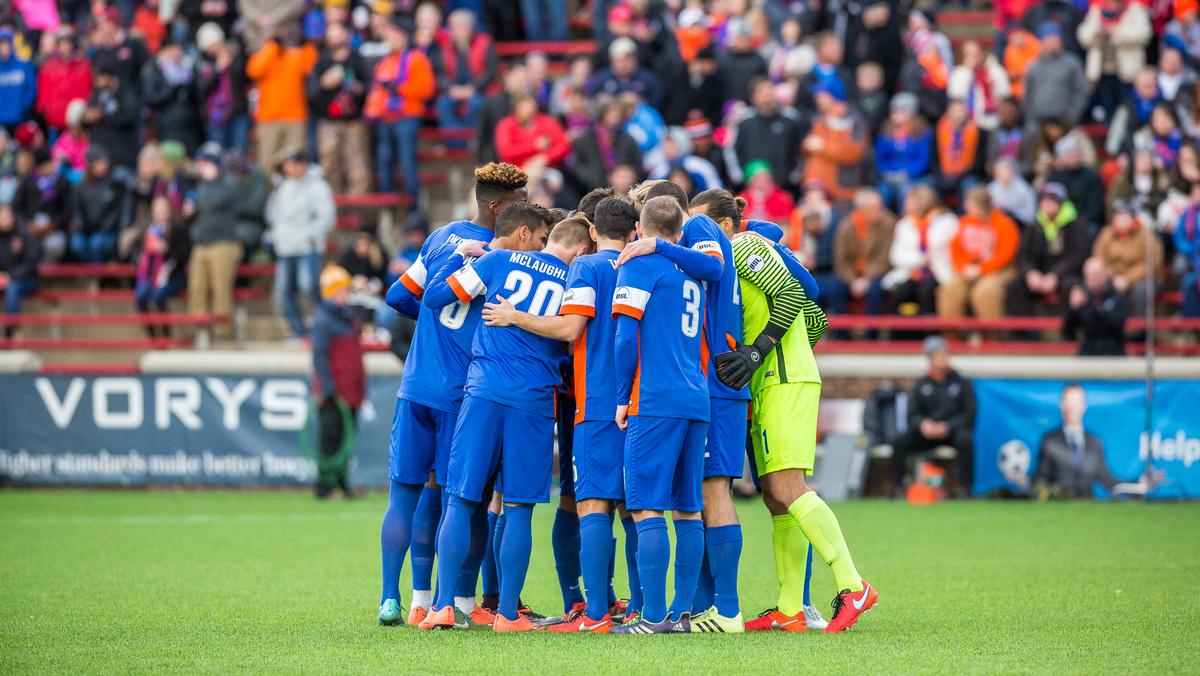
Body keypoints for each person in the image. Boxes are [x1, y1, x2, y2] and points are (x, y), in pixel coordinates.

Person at [481, 199, 672, 632]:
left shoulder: (588, 270)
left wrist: (514, 316)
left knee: (590, 504)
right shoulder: (648, 267)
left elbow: (570, 328)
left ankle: (595, 613)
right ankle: (646, 611)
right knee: (638, 508)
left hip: (597, 401)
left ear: (591, 233)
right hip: (644, 403)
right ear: (635, 230)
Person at [420, 212, 590, 633]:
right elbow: (573, 333)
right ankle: (508, 615)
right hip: (533, 400)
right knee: (518, 508)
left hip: (482, 391)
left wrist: (460, 256)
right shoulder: (574, 277)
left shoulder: (498, 261)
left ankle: (441, 605)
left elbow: (435, 297)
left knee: (459, 498)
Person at [376, 162, 528, 628]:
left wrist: (430, 326)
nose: (527, 209)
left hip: (416, 383)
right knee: (463, 501)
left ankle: (397, 598)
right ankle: (459, 601)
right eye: (521, 201)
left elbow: (398, 297)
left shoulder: (442, 239)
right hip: (464, 394)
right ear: (498, 206)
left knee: (408, 496)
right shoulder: (505, 257)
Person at [715, 218, 877, 634]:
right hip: (779, 381)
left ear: (724, 223)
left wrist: (761, 351)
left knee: (788, 487)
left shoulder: (742, 246)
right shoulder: (744, 252)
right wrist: (794, 350)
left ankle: (853, 585)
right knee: (775, 495)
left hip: (781, 380)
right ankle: (789, 609)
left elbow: (793, 294)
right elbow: (816, 316)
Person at [597, 196, 707, 635]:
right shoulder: (691, 273)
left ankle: (652, 616)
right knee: (689, 510)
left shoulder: (638, 264)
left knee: (646, 509)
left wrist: (622, 396)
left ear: (639, 229)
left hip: (655, 399)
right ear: (680, 233)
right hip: (696, 398)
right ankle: (683, 613)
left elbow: (626, 339)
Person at [890, 336, 976, 495]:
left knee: (966, 440)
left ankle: (966, 489)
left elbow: (969, 414)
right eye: (940, 355)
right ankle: (898, 488)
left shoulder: (961, 382)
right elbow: (912, 414)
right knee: (899, 441)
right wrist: (923, 424)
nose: (945, 358)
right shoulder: (921, 384)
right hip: (927, 434)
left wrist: (947, 426)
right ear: (930, 358)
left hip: (951, 433)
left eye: (946, 354)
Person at [268, 147, 335, 341]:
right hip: (286, 247)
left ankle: (327, 324)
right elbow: (276, 216)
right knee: (284, 292)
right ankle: (299, 331)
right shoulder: (284, 187)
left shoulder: (318, 187)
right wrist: (277, 237)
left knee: (310, 287)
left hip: (307, 246)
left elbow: (326, 218)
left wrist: (308, 236)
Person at [364, 20, 434, 205]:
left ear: (404, 36)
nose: (390, 39)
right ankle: (388, 205)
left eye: (394, 35)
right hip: (385, 119)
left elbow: (425, 89)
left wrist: (399, 89)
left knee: (407, 162)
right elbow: (377, 91)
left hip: (407, 116)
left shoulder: (417, 59)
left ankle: (414, 208)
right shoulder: (385, 62)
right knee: (384, 161)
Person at [311, 265, 365, 500]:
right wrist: (328, 388)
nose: (347, 295)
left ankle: (343, 486)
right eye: (343, 291)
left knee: (346, 441)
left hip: (350, 392)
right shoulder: (324, 320)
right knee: (330, 440)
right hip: (333, 393)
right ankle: (325, 486)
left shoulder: (347, 317)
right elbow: (319, 356)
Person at [937, 187, 1020, 325]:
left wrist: (982, 269)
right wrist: (964, 267)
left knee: (985, 292)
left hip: (998, 270)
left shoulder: (1004, 224)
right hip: (968, 269)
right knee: (950, 289)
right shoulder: (964, 222)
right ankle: (952, 337)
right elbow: (954, 248)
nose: (966, 207)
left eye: (970, 205)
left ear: (982, 206)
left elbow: (1006, 255)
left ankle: (991, 338)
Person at [1006, 182, 1089, 317]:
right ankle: (1023, 334)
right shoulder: (1034, 225)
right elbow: (1022, 255)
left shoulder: (1076, 225)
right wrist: (1030, 273)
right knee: (1014, 288)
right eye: (1045, 200)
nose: (1048, 204)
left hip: (1067, 275)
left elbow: (1078, 255)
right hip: (1039, 274)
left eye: (1052, 200)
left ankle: (1067, 333)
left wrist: (1056, 275)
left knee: (1072, 289)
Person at [307, 20, 371, 195]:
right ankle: (332, 211)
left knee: (357, 169)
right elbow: (310, 93)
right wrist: (323, 84)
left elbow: (371, 87)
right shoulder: (321, 62)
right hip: (328, 122)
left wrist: (358, 88)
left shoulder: (358, 60)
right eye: (331, 33)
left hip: (354, 122)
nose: (334, 37)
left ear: (347, 35)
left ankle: (359, 215)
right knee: (328, 167)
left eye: (338, 32)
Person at [246, 25, 318, 174]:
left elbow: (312, 63)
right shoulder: (263, 56)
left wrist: (305, 43)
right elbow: (254, 71)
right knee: (266, 163)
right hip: (269, 118)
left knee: (296, 162)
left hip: (295, 118)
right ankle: (267, 196)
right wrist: (272, 46)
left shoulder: (295, 56)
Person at [187, 143, 241, 339]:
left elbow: (217, 202)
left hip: (223, 243)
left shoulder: (227, 183)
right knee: (197, 288)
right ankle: (199, 331)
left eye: (204, 162)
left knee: (221, 290)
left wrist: (210, 182)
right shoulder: (201, 185)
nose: (200, 166)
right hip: (202, 243)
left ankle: (222, 332)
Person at [883, 185, 959, 315]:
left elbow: (938, 246)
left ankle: (931, 334)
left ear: (922, 201)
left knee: (926, 291)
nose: (905, 204)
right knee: (901, 293)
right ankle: (902, 333)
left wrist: (929, 224)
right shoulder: (904, 224)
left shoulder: (946, 221)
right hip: (911, 273)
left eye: (910, 200)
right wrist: (921, 259)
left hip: (939, 273)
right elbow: (896, 256)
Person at [1032, 384, 1118, 499]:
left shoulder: (1095, 442)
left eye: (1076, 402)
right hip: (1059, 507)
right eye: (1069, 402)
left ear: (1083, 406)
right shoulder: (1049, 441)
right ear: (1062, 405)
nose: (1072, 408)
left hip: (1088, 507)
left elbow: (1108, 480)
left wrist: (1137, 485)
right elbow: (1041, 480)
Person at [1076, 0, 1152, 121]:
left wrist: (1116, 33)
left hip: (1127, 73)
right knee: (1107, 111)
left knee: (1127, 109)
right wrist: (1098, 34)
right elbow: (1083, 35)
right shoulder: (1097, 10)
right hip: (1103, 71)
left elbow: (1144, 33)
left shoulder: (1133, 9)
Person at [432, 10, 496, 148]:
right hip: (454, 90)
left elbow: (491, 71)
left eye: (453, 27)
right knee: (443, 104)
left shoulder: (484, 42)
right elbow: (440, 73)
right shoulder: (445, 46)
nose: (450, 31)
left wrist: (473, 88)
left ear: (466, 27)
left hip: (479, 90)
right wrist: (450, 88)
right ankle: (455, 143)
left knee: (476, 104)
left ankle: (472, 141)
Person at [828, 188, 895, 316]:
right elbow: (841, 259)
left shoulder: (888, 223)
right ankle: (842, 333)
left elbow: (885, 257)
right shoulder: (846, 227)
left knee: (875, 289)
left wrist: (866, 279)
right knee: (835, 288)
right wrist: (852, 280)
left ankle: (871, 334)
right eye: (875, 208)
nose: (880, 211)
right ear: (862, 210)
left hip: (877, 274)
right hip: (852, 275)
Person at [801, 79, 869, 204]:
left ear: (833, 96)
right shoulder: (820, 118)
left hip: (842, 190)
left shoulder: (853, 120)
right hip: (816, 190)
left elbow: (855, 152)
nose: (817, 98)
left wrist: (823, 147)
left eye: (821, 95)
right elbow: (809, 145)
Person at [730, 77, 805, 190]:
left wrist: (794, 176)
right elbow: (732, 148)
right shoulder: (743, 121)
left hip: (784, 187)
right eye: (761, 91)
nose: (767, 94)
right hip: (750, 188)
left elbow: (801, 150)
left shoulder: (791, 118)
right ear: (753, 97)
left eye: (770, 89)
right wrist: (739, 176)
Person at [1092, 200, 1163, 318]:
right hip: (1112, 276)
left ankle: (1140, 327)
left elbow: (1152, 263)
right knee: (1097, 285)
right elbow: (1098, 257)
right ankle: (1102, 324)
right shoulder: (1107, 233)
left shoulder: (1145, 234)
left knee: (1141, 290)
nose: (1121, 219)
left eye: (1125, 216)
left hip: (1140, 278)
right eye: (1118, 215)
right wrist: (1111, 275)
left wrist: (1127, 279)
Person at [134, 196, 190, 336]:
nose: (160, 211)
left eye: (163, 208)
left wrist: (166, 249)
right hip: (148, 274)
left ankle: (165, 334)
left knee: (158, 296)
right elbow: (135, 249)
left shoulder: (178, 229)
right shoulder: (147, 229)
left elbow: (183, 254)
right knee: (141, 297)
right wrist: (140, 256)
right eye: (157, 208)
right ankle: (152, 333)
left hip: (171, 275)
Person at [1023, 24, 1089, 135]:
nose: (1054, 43)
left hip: (1064, 121)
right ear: (1042, 41)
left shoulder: (1072, 63)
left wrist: (1071, 117)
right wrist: (1031, 119)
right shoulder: (1033, 66)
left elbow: (1081, 92)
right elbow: (1028, 95)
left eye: (1056, 39)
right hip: (1039, 122)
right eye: (1050, 39)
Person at [874, 92, 934, 212]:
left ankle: (905, 220)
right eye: (894, 111)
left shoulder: (922, 132)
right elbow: (880, 157)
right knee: (883, 191)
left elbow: (923, 159)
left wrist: (906, 174)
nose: (895, 114)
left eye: (900, 111)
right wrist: (887, 172)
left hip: (913, 176)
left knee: (905, 191)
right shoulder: (886, 131)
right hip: (889, 175)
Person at [69, 147, 124, 263]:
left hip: (107, 231)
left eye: (105, 162)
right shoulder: (80, 186)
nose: (104, 165)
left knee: (97, 243)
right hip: (87, 230)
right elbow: (77, 212)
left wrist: (104, 227)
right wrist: (82, 227)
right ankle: (90, 272)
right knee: (77, 244)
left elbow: (116, 212)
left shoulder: (114, 183)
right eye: (100, 162)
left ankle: (98, 276)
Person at [1064, 257, 1129, 356]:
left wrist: (1089, 308)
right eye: (1091, 275)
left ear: (1105, 273)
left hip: (1114, 351)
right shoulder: (1081, 296)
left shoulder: (1116, 294)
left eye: (1098, 274)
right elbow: (1068, 333)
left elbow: (1116, 325)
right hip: (1089, 350)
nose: (1095, 278)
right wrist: (1072, 309)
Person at [35, 27, 91, 135]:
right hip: (55, 121)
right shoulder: (47, 67)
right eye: (61, 44)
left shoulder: (83, 65)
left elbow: (87, 90)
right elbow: (43, 94)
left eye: (67, 43)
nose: (65, 47)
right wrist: (46, 109)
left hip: (78, 120)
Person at [0, 204, 38, 339]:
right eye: (2, 216)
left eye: (8, 216)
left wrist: (11, 276)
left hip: (26, 279)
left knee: (12, 289)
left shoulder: (24, 234)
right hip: (4, 279)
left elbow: (32, 260)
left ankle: (11, 331)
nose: (6, 219)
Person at [0, 27, 36, 129]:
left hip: (21, 120)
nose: (4, 47)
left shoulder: (24, 65)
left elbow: (31, 91)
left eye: (7, 43)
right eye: (1, 43)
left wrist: (24, 109)